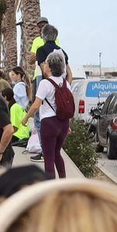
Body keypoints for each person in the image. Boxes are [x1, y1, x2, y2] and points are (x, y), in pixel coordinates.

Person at [25, 49, 71, 178]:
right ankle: (63, 182)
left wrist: (25, 118)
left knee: (48, 157)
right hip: (63, 124)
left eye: (45, 63)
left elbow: (36, 105)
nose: (43, 65)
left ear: (49, 67)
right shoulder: (66, 83)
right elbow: (67, 105)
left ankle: (50, 188)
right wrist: (69, 126)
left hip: (49, 124)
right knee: (57, 153)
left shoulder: (45, 83)